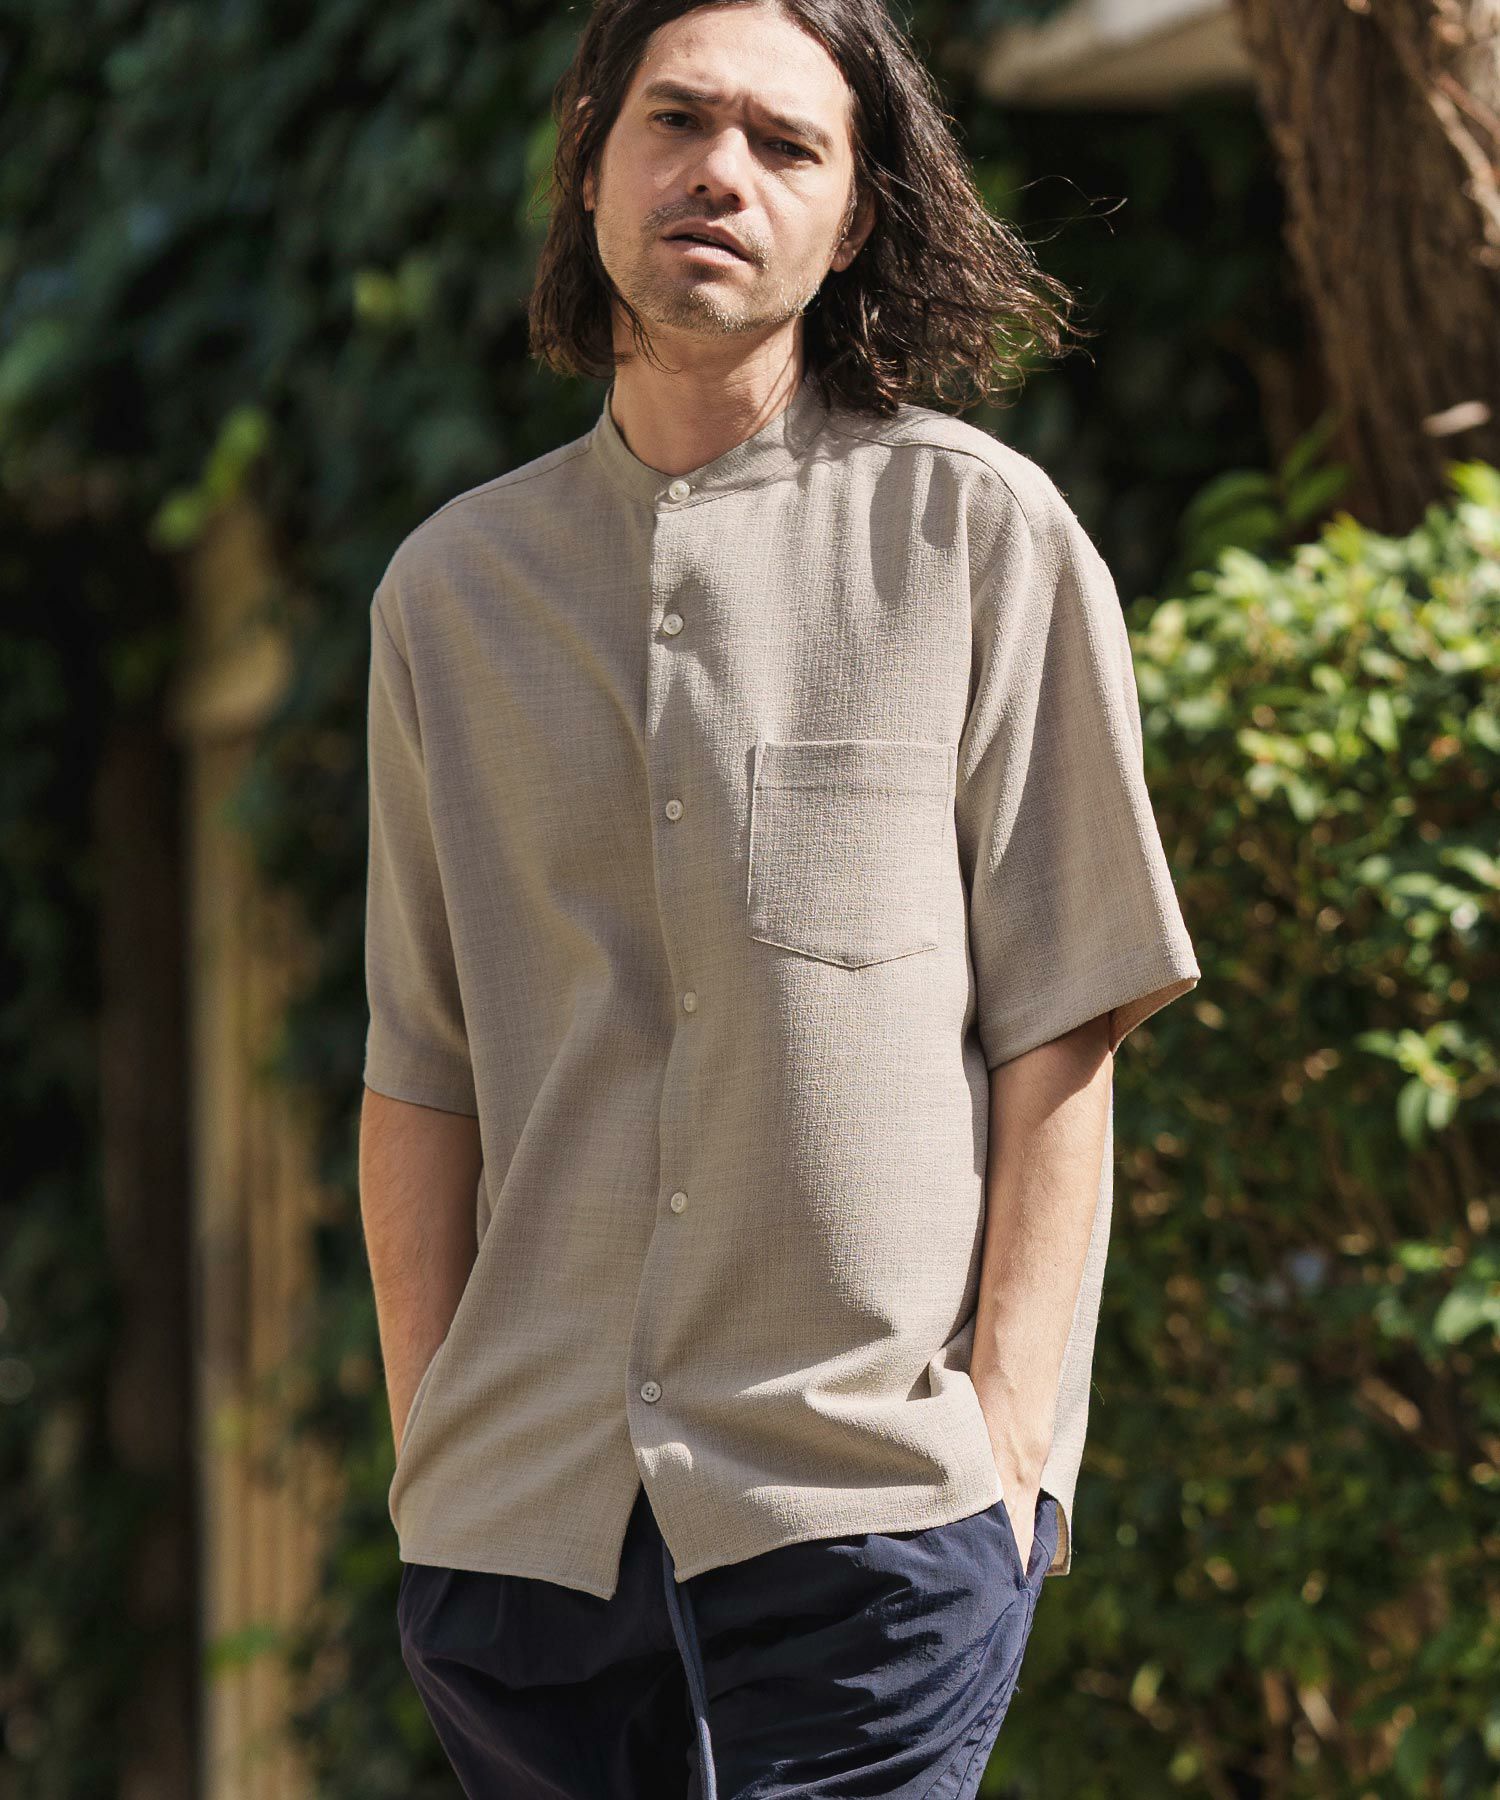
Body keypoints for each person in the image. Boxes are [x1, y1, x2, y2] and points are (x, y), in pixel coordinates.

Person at [357, 0, 1201, 1793]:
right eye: (676, 121)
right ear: (593, 162)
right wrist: (437, 1446)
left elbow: (1067, 1019)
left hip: (868, 1514)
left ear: (854, 217)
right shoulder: (450, 594)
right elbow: (420, 1065)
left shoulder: (979, 538)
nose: (719, 172)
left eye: (786, 142)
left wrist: (1008, 1451)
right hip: (526, 1536)